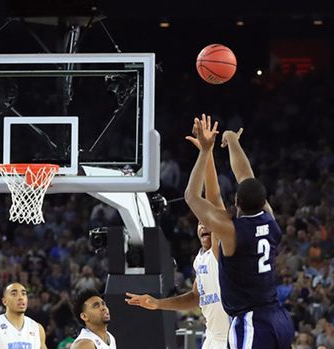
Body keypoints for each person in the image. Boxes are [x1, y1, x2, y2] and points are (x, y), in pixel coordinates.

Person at [184, 114, 294, 349]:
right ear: (264, 201)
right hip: (279, 318)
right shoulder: (270, 219)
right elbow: (246, 175)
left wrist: (205, 151)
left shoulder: (232, 231)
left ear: (237, 201)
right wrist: (233, 140)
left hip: (252, 322)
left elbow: (192, 197)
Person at [125, 130, 230, 348]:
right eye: (200, 223)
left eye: (209, 222)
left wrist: (207, 153)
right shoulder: (200, 259)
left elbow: (215, 202)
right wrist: (158, 303)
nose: (204, 226)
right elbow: (195, 297)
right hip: (212, 338)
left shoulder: (222, 252)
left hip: (233, 337)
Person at [0, 282, 47, 349]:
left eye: (23, 294)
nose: (21, 297)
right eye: (14, 294)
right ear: (4, 301)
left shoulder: (37, 329)